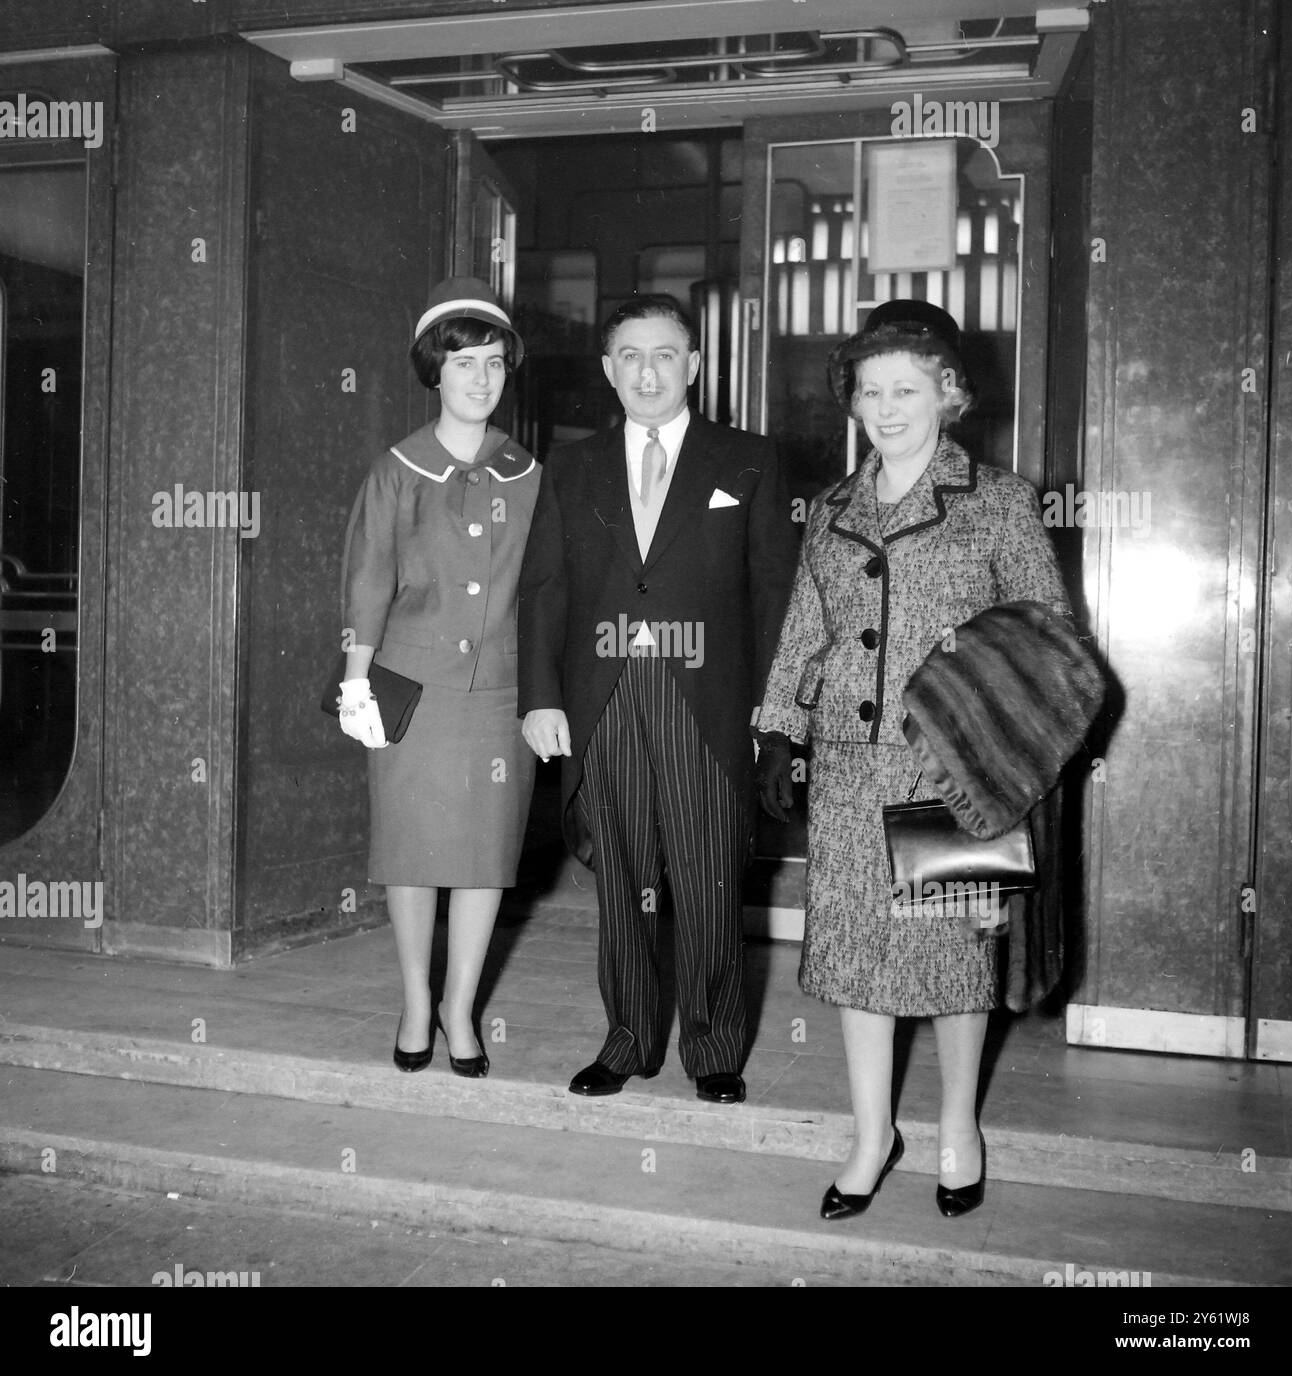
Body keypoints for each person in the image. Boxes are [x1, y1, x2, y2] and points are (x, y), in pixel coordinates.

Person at [754, 299, 1071, 1218]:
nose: (886, 407)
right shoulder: (835, 508)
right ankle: (870, 1135)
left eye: (907, 387)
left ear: (950, 392)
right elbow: (807, 627)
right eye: (869, 390)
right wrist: (779, 725)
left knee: (952, 964)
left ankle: (959, 1130)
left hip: (957, 773)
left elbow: (1049, 638)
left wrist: (985, 738)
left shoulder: (1000, 501)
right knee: (854, 957)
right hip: (852, 773)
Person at [518, 294, 798, 1103]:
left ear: (695, 366)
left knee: (711, 877)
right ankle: (629, 1036)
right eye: (631, 356)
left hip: (706, 699)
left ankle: (713, 1048)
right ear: (609, 370)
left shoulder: (747, 459)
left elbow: (776, 589)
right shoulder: (568, 467)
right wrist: (541, 696)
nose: (648, 371)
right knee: (623, 880)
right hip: (603, 697)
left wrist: (770, 708)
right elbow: (545, 588)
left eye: (666, 354)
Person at [338, 277, 537, 1078]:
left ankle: (462, 1010)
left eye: (493, 363)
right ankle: (416, 1002)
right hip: (407, 688)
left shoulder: (528, 473)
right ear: (435, 372)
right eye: (463, 365)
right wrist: (357, 681)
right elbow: (367, 581)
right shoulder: (396, 470)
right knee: (413, 852)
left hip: (499, 692)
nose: (480, 379)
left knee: (485, 856)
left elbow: (545, 586)